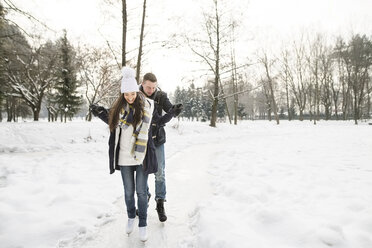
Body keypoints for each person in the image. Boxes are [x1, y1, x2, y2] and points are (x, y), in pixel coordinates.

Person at [90, 67, 154, 242]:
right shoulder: (118, 109)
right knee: (128, 192)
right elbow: (110, 119)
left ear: (136, 91)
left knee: (141, 192)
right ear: (123, 94)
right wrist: (99, 112)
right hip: (124, 157)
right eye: (126, 94)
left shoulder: (146, 107)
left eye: (132, 93)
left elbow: (148, 129)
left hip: (141, 156)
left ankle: (142, 224)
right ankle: (131, 216)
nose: (130, 97)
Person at [139, 72, 183, 222]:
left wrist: (175, 110)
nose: (151, 90)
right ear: (142, 84)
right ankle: (145, 197)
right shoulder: (135, 95)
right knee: (142, 172)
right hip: (140, 141)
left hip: (157, 140)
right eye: (148, 87)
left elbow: (170, 110)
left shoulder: (160, 96)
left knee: (159, 173)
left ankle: (160, 202)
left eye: (153, 87)